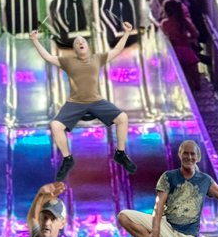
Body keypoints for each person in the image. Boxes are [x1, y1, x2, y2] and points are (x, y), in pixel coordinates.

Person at [29, 25, 138, 181]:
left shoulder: (97, 58)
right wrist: (34, 40)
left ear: (88, 46)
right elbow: (47, 56)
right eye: (77, 42)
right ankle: (67, 159)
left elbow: (117, 50)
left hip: (96, 101)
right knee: (55, 126)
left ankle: (120, 153)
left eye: (83, 41)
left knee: (123, 118)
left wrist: (126, 32)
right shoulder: (68, 61)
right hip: (75, 103)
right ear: (74, 49)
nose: (80, 42)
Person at [160, 0, 202, 92]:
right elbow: (195, 33)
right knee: (193, 72)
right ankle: (196, 88)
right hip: (186, 50)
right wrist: (188, 39)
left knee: (178, 74)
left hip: (173, 52)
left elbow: (163, 37)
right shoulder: (184, 21)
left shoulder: (164, 23)